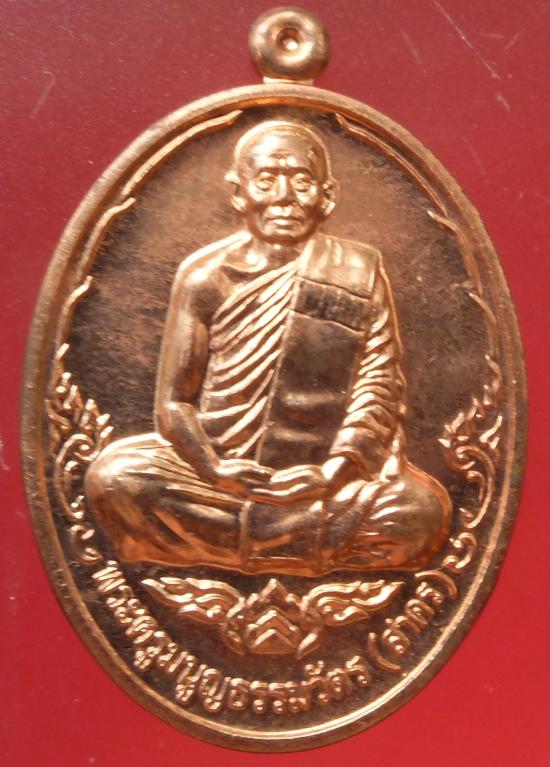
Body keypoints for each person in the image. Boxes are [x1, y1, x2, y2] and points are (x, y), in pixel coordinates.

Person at [84, 120, 451, 576]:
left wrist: (333, 472)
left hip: (324, 480)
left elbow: (379, 385)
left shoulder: (356, 270)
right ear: (238, 194)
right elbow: (174, 404)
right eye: (266, 181)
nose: (284, 197)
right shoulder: (205, 277)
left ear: (327, 196)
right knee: (114, 479)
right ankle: (292, 543)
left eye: (301, 182)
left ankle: (231, 544)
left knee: (421, 512)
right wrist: (216, 470)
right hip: (218, 476)